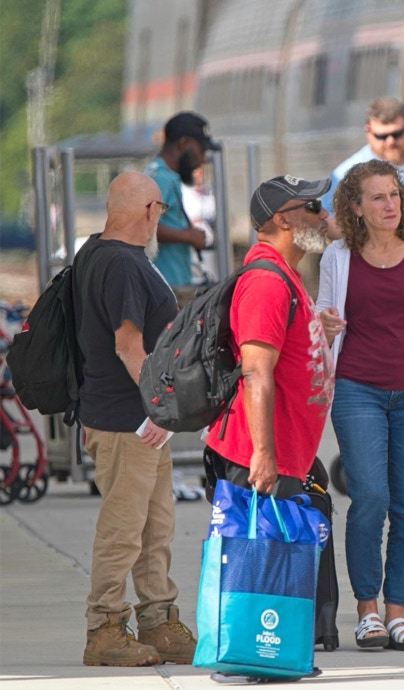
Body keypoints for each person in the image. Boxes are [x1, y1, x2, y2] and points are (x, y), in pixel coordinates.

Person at [317, 159, 404, 651]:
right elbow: (324, 323)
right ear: (355, 207)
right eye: (378, 197)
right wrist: (325, 325)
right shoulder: (338, 256)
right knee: (370, 498)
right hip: (357, 388)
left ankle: (397, 612)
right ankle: (367, 611)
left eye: (394, 195)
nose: (390, 205)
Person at [73, 171, 195, 666]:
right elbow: (128, 346)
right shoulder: (122, 263)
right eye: (161, 209)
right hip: (128, 421)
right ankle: (104, 629)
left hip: (139, 423)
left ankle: (157, 621)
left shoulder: (97, 253)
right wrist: (162, 404)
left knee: (154, 528)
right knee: (124, 530)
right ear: (148, 210)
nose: (159, 218)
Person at [204, 174, 335, 499]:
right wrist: (262, 454)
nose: (324, 214)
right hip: (259, 459)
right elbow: (255, 372)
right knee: (258, 536)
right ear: (283, 219)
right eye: (313, 206)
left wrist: (316, 332)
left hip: (284, 453)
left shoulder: (284, 274)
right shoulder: (267, 282)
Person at [320, 97, 404, 225]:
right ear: (368, 131)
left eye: (397, 134)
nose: (390, 141)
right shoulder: (345, 176)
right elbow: (329, 222)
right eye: (382, 136)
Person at [144, 111, 219, 289]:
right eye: (201, 150)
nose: (202, 159)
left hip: (170, 284)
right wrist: (188, 235)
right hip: (165, 287)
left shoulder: (166, 176)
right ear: (183, 143)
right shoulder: (160, 178)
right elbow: (145, 225)